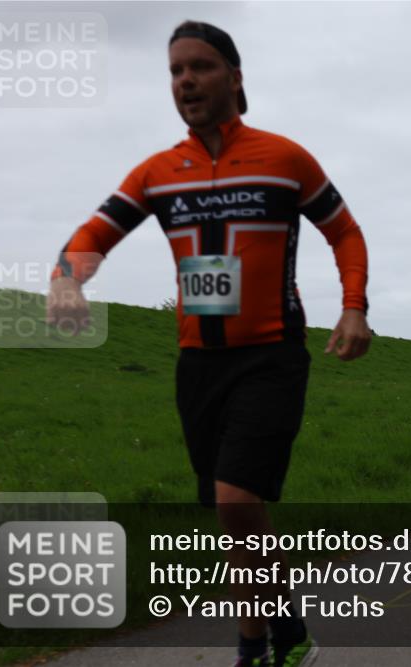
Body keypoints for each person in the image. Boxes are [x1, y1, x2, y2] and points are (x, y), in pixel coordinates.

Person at [45, 21, 371, 667]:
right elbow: (94, 233)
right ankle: (273, 636)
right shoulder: (159, 171)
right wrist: (65, 278)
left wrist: (354, 308)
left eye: (200, 66)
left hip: (272, 355)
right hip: (197, 363)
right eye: (174, 71)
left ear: (235, 76)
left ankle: (268, 639)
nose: (185, 80)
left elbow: (345, 231)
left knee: (235, 498)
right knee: (232, 516)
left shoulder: (286, 159)